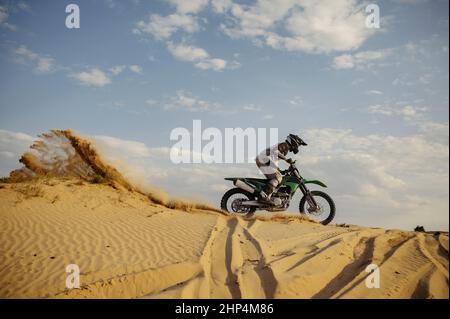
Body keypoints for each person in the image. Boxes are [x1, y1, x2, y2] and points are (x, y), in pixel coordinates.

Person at [255, 134, 307, 202]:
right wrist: (286, 159)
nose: (298, 146)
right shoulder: (285, 145)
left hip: (264, 160)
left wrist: (280, 170)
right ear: (294, 142)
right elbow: (275, 152)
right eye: (298, 144)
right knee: (277, 177)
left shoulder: (285, 149)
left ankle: (270, 196)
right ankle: (264, 195)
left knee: (278, 176)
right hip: (263, 159)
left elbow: (273, 159)